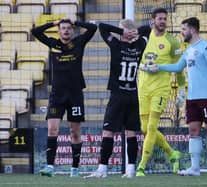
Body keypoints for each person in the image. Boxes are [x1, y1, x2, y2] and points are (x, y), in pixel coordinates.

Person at [142, 17, 207, 176]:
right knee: (193, 130)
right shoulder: (188, 50)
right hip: (192, 98)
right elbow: (177, 67)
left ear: (193, 29)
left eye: (184, 29)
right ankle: (195, 168)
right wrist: (159, 67)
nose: (181, 32)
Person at [83, 20, 151, 179]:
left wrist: (122, 32)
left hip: (118, 95)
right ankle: (131, 169)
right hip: (133, 94)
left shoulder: (116, 45)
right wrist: (135, 32)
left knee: (108, 132)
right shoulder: (140, 45)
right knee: (130, 133)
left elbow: (103, 27)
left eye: (122, 31)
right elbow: (147, 29)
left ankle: (102, 169)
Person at [31, 19, 97, 177]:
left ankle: (75, 168)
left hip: (75, 94)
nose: (66, 30)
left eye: (68, 28)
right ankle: (49, 167)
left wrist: (76, 21)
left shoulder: (79, 42)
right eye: (63, 28)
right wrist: (53, 23)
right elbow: (35, 32)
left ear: (72, 31)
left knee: (75, 132)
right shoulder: (53, 43)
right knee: (52, 129)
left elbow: (93, 28)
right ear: (59, 31)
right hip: (57, 95)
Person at [136, 7, 185, 177]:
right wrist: (140, 66)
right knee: (143, 128)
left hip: (161, 89)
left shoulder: (172, 41)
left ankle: (141, 166)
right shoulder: (143, 38)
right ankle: (172, 153)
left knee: (151, 126)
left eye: (165, 18)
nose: (163, 21)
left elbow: (179, 69)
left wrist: (181, 90)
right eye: (160, 18)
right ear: (153, 21)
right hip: (143, 87)